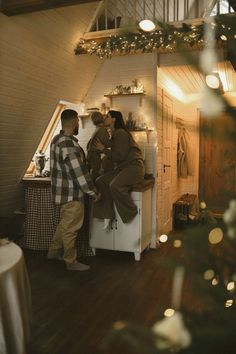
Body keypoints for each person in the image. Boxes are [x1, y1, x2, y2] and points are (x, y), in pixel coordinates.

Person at [47, 109, 100, 271]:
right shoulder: (69, 143)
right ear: (74, 121)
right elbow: (79, 173)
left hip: (61, 194)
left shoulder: (56, 139)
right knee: (71, 229)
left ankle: (53, 252)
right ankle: (71, 262)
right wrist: (93, 192)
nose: (78, 124)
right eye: (77, 121)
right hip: (72, 194)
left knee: (64, 225)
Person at [93, 110, 145, 227]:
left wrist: (103, 149)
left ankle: (131, 212)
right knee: (100, 181)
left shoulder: (120, 133)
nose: (104, 118)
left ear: (114, 119)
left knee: (114, 185)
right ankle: (107, 214)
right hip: (123, 168)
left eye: (107, 116)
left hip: (134, 167)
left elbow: (119, 156)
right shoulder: (114, 134)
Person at [86, 111, 113, 182]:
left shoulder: (98, 128)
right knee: (96, 174)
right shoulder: (102, 129)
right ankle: (96, 190)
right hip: (94, 155)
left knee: (95, 172)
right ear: (101, 118)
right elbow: (107, 143)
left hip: (91, 154)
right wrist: (114, 142)